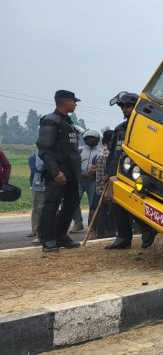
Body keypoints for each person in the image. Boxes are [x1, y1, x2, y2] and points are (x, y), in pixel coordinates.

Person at [106, 92, 157, 250]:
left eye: (128, 106)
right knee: (117, 204)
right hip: (120, 173)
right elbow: (113, 154)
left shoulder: (148, 128)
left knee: (137, 203)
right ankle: (123, 238)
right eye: (122, 107)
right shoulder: (119, 129)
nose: (125, 109)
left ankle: (148, 229)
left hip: (140, 175)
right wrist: (109, 175)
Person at [36, 90, 83, 252]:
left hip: (71, 172)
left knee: (71, 205)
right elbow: (44, 150)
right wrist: (56, 172)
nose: (75, 104)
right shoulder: (51, 121)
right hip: (57, 172)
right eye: (73, 101)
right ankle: (48, 240)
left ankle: (60, 235)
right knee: (51, 206)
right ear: (66, 102)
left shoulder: (67, 122)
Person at [91, 130, 116, 239]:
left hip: (114, 189)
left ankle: (112, 235)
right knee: (103, 213)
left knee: (113, 215)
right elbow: (100, 177)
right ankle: (101, 236)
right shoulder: (102, 156)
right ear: (106, 142)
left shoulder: (116, 153)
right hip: (104, 190)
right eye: (111, 141)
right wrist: (104, 193)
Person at [27, 152, 47, 243]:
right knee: (36, 207)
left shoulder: (49, 156)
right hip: (36, 184)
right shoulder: (32, 158)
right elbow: (35, 169)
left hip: (47, 185)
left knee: (43, 207)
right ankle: (34, 229)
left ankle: (42, 230)